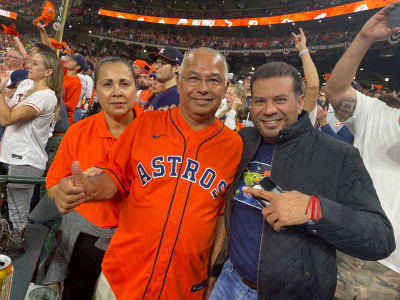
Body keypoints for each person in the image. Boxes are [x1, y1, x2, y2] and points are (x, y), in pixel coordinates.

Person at [53, 47, 243, 300]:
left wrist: (212, 275)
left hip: (184, 285)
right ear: (180, 80)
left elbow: (222, 219)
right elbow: (115, 176)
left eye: (214, 80)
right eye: (194, 78)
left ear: (226, 86)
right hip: (123, 277)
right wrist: (88, 188)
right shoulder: (146, 124)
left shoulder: (235, 146)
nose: (203, 88)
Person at [208, 61, 395, 300]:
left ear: (299, 103)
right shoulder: (244, 140)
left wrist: (314, 210)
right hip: (229, 280)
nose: (269, 109)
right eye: (260, 101)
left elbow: (381, 239)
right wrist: (217, 269)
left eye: (280, 100)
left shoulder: (337, 155)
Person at [44, 57, 138, 300]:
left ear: (136, 89)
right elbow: (54, 184)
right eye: (107, 84)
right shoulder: (79, 132)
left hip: (136, 240)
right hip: (85, 237)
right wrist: (67, 191)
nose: (117, 92)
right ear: (96, 92)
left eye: (124, 84)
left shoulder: (155, 130)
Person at [324, 3, 400, 299]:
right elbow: (336, 90)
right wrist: (365, 37)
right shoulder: (377, 115)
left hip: (393, 275)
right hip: (345, 251)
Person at [0, 51, 63, 234]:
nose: (28, 65)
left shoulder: (45, 95)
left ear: (48, 72)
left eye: (35, 64)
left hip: (25, 158)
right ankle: (16, 246)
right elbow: (8, 110)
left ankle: (21, 252)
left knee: (18, 215)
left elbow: (7, 119)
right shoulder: (28, 85)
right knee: (14, 212)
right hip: (15, 154)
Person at [146, 46, 183, 111]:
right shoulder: (165, 91)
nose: (156, 66)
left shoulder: (174, 94)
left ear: (176, 68)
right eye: (157, 62)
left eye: (162, 63)